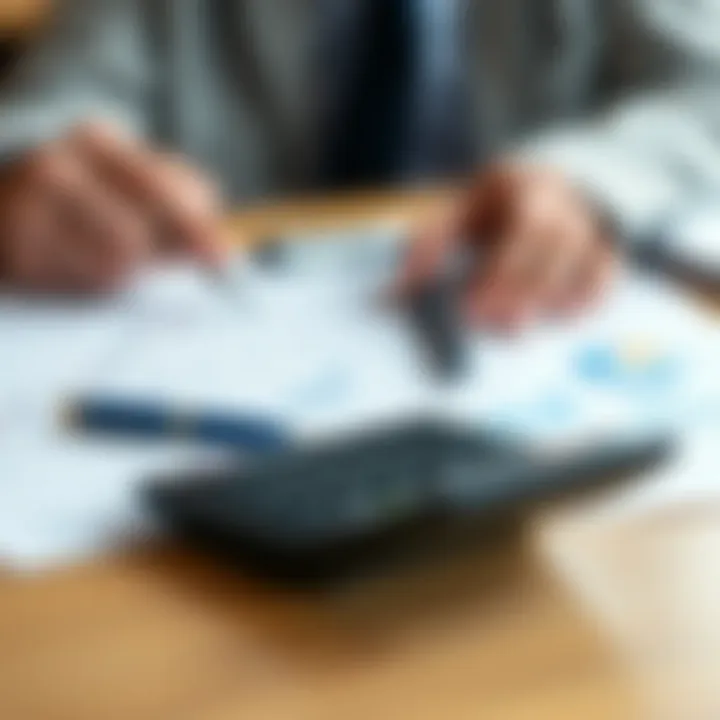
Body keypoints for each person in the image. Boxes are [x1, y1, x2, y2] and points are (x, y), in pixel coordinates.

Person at [0, 0, 719, 332]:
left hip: (508, 334)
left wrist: (583, 181)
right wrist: (31, 176)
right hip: (231, 341)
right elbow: (53, 112)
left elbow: (706, 84)